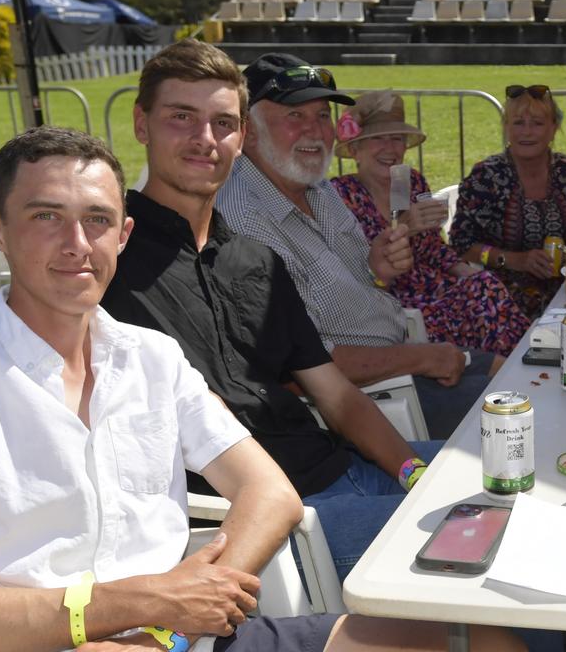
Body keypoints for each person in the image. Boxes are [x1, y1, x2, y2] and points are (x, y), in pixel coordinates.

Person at [0, 124, 522, 652]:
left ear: (123, 235)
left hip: (178, 638)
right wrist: (136, 606)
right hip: (43, 641)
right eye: (46, 216)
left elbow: (271, 493)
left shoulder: (150, 358)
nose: (78, 243)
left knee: (479, 640)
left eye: (97, 220)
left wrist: (175, 621)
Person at [102, 40, 443, 582]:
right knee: (495, 536)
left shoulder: (254, 259)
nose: (204, 139)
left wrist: (411, 469)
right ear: (142, 125)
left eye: (222, 123)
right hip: (274, 525)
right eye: (181, 118)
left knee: (501, 474)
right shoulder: (108, 267)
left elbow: (335, 395)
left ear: (241, 137)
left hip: (342, 468)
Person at [213, 52, 499, 441]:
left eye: (322, 116)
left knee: (520, 370)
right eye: (295, 116)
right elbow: (302, 365)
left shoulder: (318, 188)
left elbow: (359, 282)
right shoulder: (243, 223)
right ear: (248, 131)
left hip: (400, 355)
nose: (315, 131)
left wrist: (376, 268)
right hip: (373, 399)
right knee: (523, 413)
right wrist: (422, 356)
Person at [330, 90, 531, 358]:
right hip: (390, 303)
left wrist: (464, 269)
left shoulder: (410, 181)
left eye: (397, 139)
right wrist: (403, 226)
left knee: (486, 285)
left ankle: (519, 367)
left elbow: (434, 248)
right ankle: (499, 373)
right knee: (476, 304)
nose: (390, 149)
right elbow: (353, 269)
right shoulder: (340, 195)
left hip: (435, 287)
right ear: (355, 148)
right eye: (378, 138)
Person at [448, 84, 566, 318]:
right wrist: (513, 260)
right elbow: (462, 245)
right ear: (506, 128)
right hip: (502, 298)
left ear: (553, 128)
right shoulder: (486, 177)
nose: (526, 132)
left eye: (538, 123)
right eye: (518, 123)